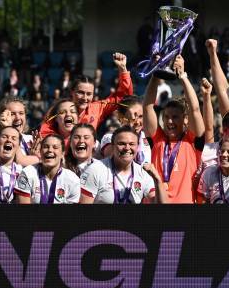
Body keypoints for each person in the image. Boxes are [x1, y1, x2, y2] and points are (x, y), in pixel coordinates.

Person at [143, 55, 205, 203]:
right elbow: (147, 107)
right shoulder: (157, 139)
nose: (170, 121)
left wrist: (183, 76)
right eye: (166, 117)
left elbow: (195, 109)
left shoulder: (192, 141)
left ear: (185, 119)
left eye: (175, 117)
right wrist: (157, 73)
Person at [79, 125, 166, 204]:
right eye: (122, 144)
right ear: (113, 146)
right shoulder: (95, 169)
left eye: (132, 144)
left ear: (137, 147)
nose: (127, 148)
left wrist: (157, 180)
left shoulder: (142, 173)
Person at [70, 52, 133, 131]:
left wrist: (123, 68)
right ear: (72, 92)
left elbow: (124, 96)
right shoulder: (62, 110)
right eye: (81, 93)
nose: (85, 98)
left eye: (89, 94)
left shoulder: (97, 108)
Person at [14, 134, 80, 204]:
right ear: (41, 152)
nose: (50, 150)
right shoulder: (27, 173)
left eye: (55, 147)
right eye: (46, 147)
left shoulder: (73, 180)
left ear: (62, 154)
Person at [98, 96, 151, 165]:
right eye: (132, 118)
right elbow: (115, 165)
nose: (137, 122)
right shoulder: (110, 138)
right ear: (121, 118)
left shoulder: (146, 137)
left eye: (140, 116)